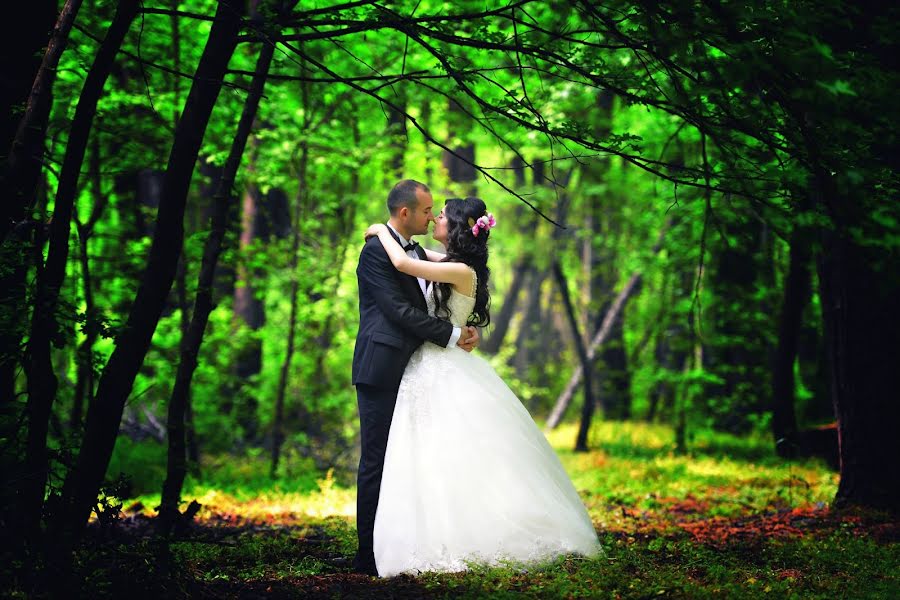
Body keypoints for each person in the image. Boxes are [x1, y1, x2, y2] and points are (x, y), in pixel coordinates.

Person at [365, 196, 602, 578]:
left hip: (440, 365)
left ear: (456, 227)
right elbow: (413, 249)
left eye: (440, 215)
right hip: (428, 363)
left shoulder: (460, 269)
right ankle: (432, 528)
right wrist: (392, 234)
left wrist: (379, 231)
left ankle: (465, 533)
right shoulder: (453, 264)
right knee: (429, 454)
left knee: (453, 451)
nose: (435, 219)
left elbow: (405, 262)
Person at [351, 180, 480, 577]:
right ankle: (366, 556)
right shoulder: (376, 252)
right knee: (375, 460)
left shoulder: (414, 251)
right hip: (382, 365)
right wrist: (455, 335)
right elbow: (396, 311)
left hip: (414, 367)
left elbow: (432, 274)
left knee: (408, 460)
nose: (431, 216)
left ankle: (402, 544)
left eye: (435, 213)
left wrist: (464, 324)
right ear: (405, 213)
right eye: (427, 211)